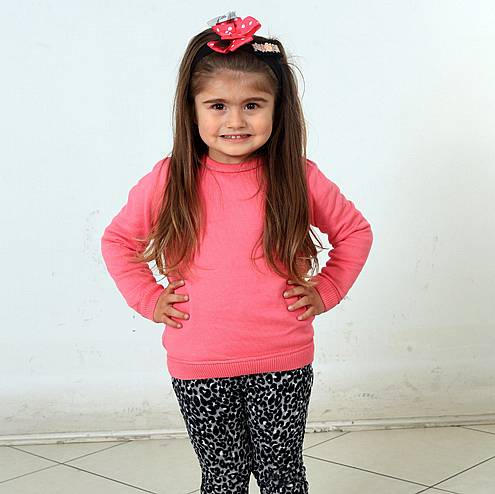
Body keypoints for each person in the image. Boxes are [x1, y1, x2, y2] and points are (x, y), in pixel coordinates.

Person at [100, 11, 373, 494]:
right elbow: (118, 241)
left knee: (281, 474)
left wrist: (327, 289)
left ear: (277, 109)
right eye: (217, 105)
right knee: (222, 477)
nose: (235, 121)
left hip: (282, 360)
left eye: (252, 105)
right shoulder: (170, 178)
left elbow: (354, 232)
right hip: (199, 362)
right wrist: (150, 299)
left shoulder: (298, 176)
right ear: (192, 110)